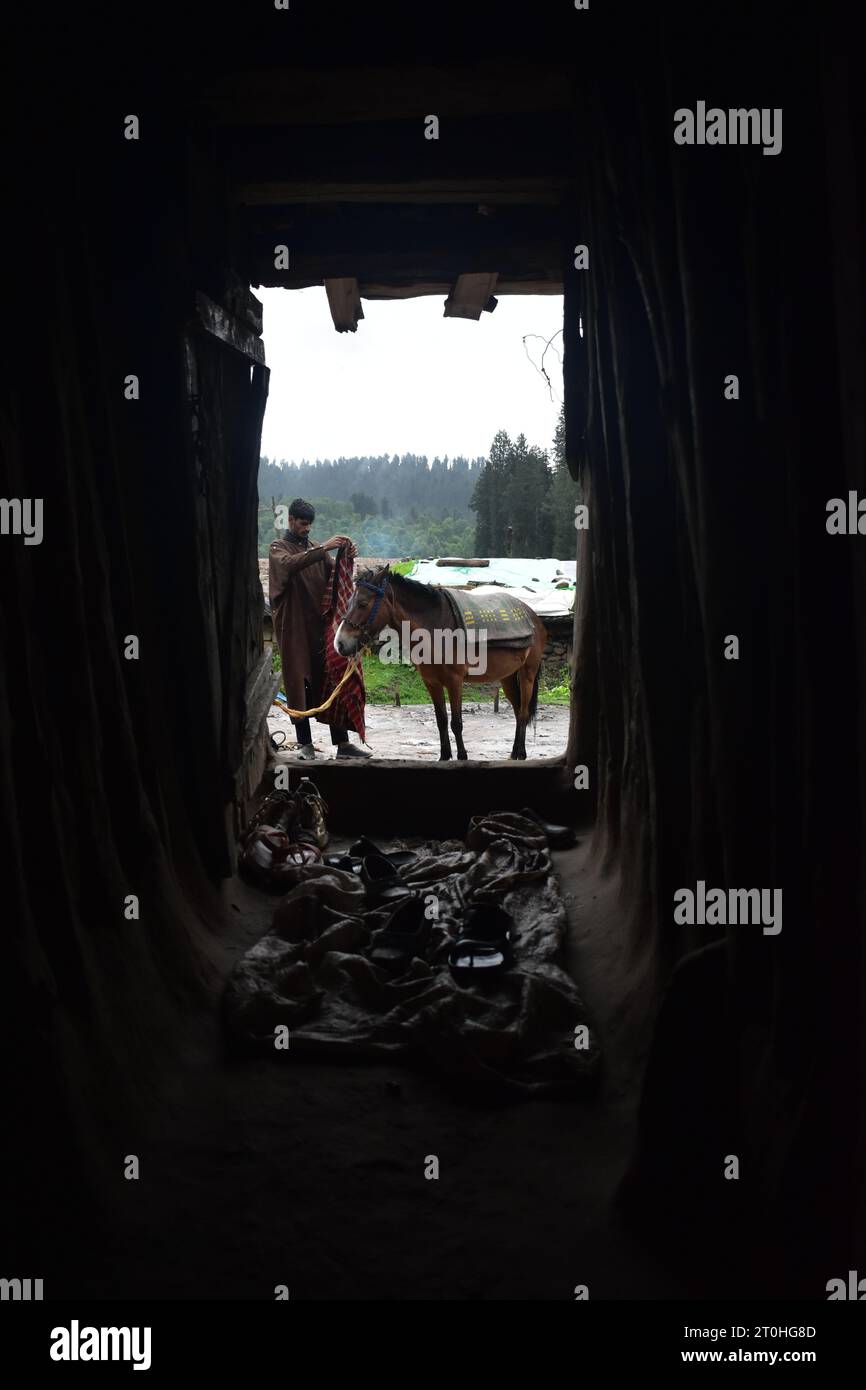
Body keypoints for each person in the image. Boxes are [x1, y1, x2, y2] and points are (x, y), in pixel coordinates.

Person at [268, 498, 372, 761]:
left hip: (320, 629)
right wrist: (326, 546)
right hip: (293, 630)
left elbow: (336, 575)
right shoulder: (278, 548)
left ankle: (343, 745)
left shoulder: (317, 550)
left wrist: (346, 556)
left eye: (309, 525)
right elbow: (289, 566)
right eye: (303, 524)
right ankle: (305, 745)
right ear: (290, 520)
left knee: (331, 678)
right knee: (298, 683)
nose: (306, 529)